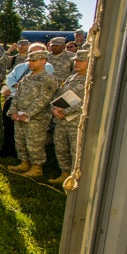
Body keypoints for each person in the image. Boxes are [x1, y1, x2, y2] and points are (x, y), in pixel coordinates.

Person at [0, 43, 54, 158]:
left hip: (31, 104)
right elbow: (10, 77)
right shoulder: (21, 66)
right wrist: (15, 86)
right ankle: (8, 150)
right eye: (31, 53)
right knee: (9, 127)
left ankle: (29, 157)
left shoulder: (48, 67)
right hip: (14, 99)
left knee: (31, 132)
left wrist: (16, 89)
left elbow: (39, 88)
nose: (33, 56)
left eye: (37, 53)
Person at [7, 50, 58, 177]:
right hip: (19, 115)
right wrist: (13, 111)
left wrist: (28, 114)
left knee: (34, 143)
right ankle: (24, 163)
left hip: (36, 119)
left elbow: (43, 99)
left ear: (43, 61)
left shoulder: (48, 79)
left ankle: (37, 167)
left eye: (33, 60)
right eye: (29, 60)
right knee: (20, 140)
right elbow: (17, 95)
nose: (30, 63)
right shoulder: (27, 77)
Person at [49, 50, 88, 185]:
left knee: (75, 151)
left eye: (81, 61)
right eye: (76, 60)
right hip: (61, 121)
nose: (77, 63)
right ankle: (65, 174)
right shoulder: (71, 77)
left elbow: (88, 102)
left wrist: (66, 111)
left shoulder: (91, 80)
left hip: (76, 122)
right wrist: (54, 109)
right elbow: (60, 95)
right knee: (61, 148)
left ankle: (76, 177)